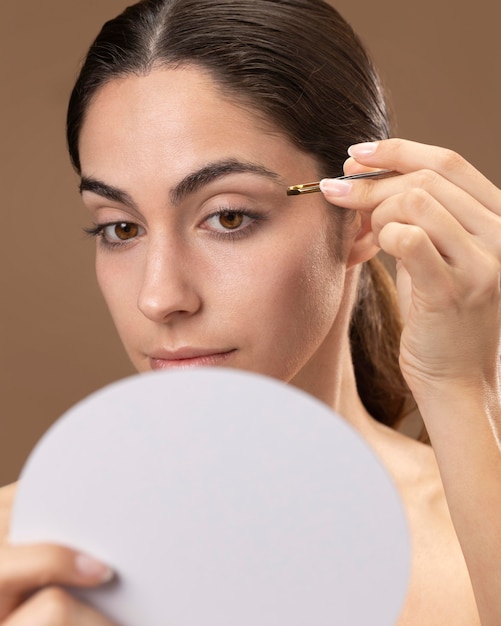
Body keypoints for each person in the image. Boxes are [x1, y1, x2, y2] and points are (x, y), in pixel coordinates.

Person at [0, 0, 500, 623]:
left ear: (361, 216)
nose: (160, 297)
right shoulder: (22, 549)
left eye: (228, 217)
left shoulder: (472, 545)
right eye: (121, 227)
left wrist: (459, 388)